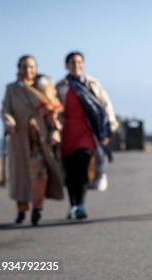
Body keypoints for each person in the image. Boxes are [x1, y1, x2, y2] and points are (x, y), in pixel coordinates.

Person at [1, 55, 64, 226]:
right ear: (18, 69)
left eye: (31, 67)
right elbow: (6, 109)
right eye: (24, 67)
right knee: (20, 175)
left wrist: (55, 130)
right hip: (20, 139)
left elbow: (52, 111)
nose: (28, 70)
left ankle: (37, 208)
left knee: (41, 173)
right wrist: (10, 122)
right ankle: (22, 210)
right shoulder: (12, 89)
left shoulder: (43, 87)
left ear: (36, 68)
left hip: (40, 139)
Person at [56, 51, 118, 220]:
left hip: (87, 133)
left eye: (79, 62)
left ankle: (81, 205)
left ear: (83, 64)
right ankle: (73, 205)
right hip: (67, 133)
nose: (77, 65)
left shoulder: (92, 84)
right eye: (73, 62)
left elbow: (105, 105)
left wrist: (110, 126)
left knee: (83, 169)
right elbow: (54, 109)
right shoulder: (61, 86)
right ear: (66, 65)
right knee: (70, 172)